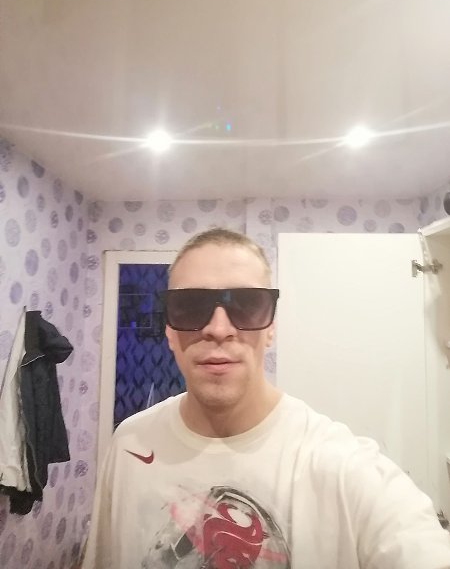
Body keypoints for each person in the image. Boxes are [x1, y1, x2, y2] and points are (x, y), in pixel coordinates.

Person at [82, 227, 450, 568]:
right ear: (169, 331)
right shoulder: (130, 443)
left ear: (271, 327)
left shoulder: (341, 466)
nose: (219, 329)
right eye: (190, 306)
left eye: (246, 304)